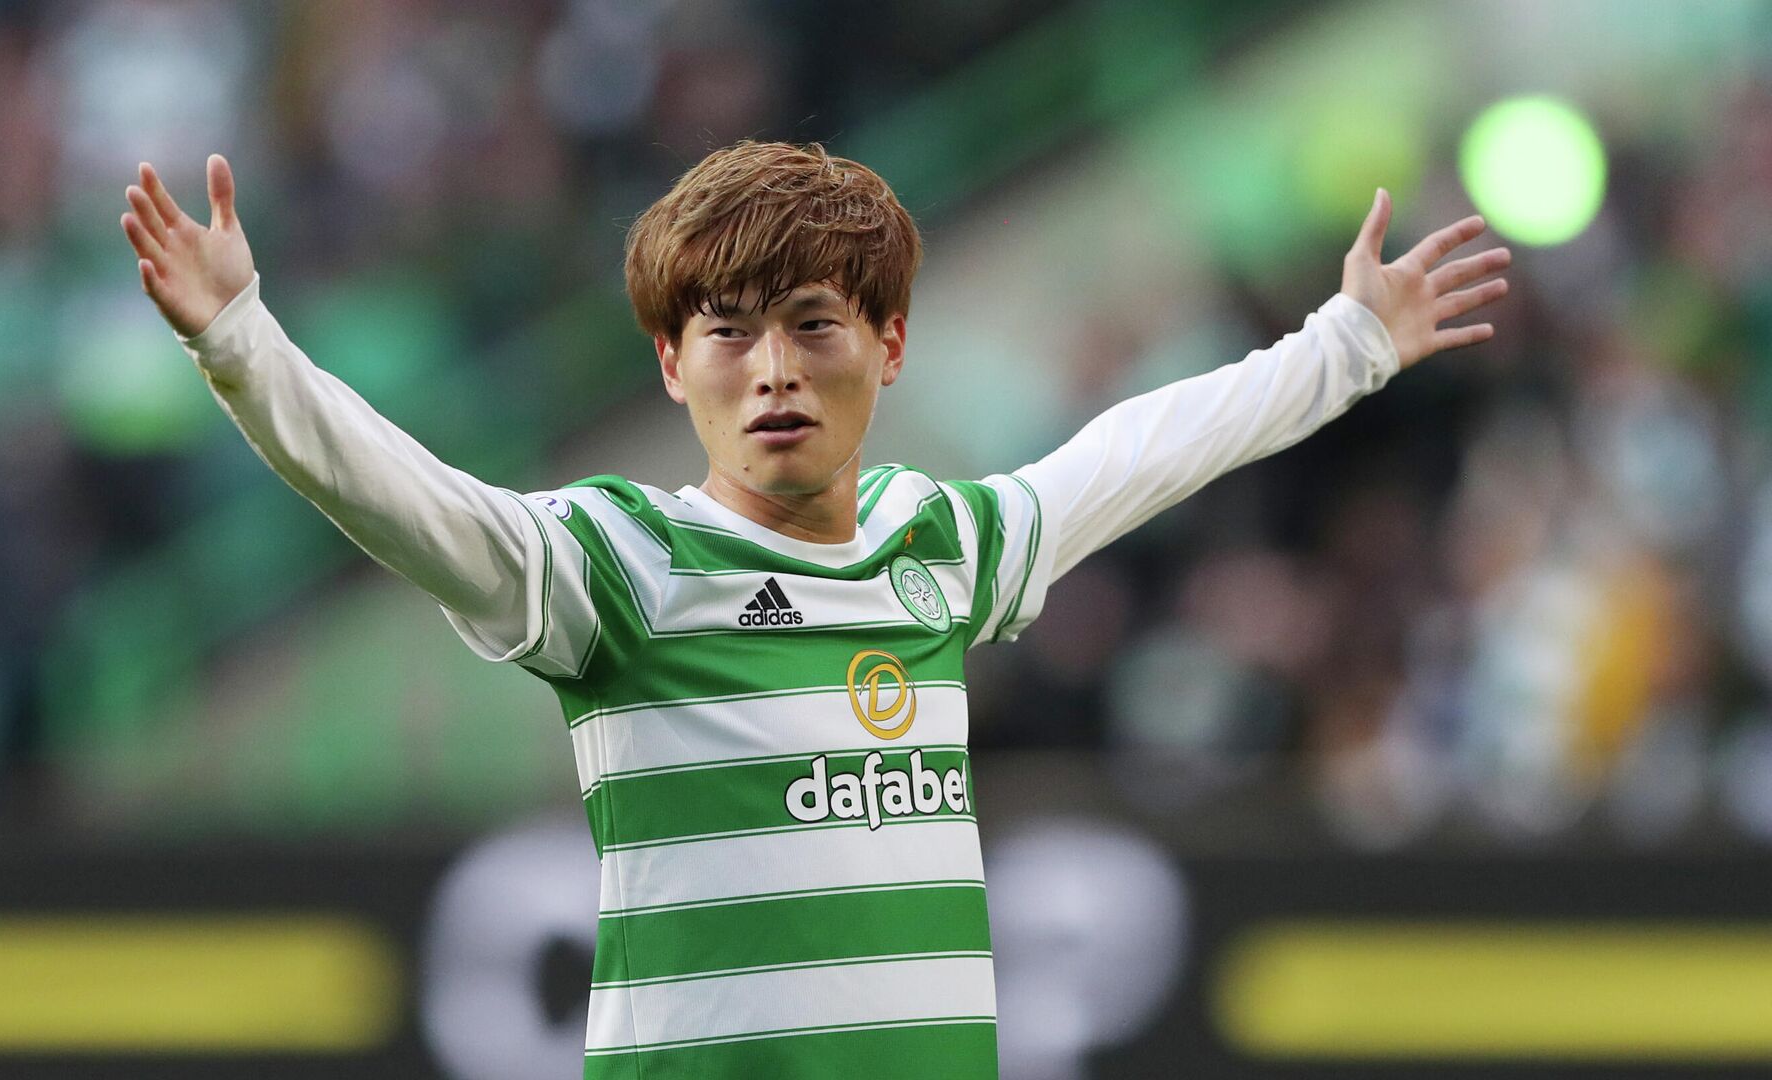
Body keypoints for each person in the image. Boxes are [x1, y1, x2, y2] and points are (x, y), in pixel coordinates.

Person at [119, 140, 1508, 1078]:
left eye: (814, 323)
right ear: (672, 365)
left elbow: (1134, 453)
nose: (770, 368)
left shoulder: (938, 547)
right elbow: (404, 498)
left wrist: (1349, 345)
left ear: (890, 345)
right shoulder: (617, 567)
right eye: (725, 330)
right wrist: (240, 343)